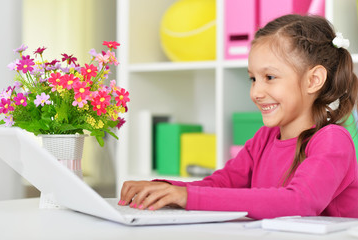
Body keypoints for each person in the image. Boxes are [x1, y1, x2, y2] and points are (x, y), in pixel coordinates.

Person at [118, 14, 358, 219]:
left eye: (270, 77)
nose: (256, 92)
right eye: (252, 78)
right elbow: (220, 184)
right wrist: (165, 188)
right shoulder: (264, 138)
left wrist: (188, 197)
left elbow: (300, 202)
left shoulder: (332, 140)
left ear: (313, 80)